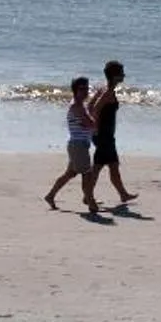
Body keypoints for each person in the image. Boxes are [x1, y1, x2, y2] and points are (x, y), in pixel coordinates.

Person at [44, 76, 101, 212]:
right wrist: (92, 123)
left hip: (78, 145)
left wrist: (96, 98)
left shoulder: (80, 105)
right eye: (83, 89)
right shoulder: (77, 106)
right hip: (78, 146)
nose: (86, 91)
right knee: (87, 174)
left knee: (70, 173)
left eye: (87, 88)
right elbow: (91, 124)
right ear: (76, 90)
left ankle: (50, 195)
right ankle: (90, 202)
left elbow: (89, 121)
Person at [89, 60, 134, 204]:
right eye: (121, 73)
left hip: (105, 136)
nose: (124, 75)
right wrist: (95, 128)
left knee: (110, 165)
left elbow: (89, 106)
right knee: (99, 167)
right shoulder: (107, 92)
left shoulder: (104, 89)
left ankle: (123, 194)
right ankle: (88, 195)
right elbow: (95, 109)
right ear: (115, 76)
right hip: (103, 136)